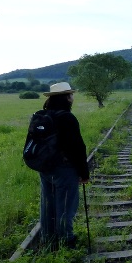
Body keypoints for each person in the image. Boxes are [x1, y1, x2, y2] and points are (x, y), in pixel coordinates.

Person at [39, 82, 89, 249]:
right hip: (65, 170)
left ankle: (48, 239)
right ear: (67, 97)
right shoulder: (67, 118)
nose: (73, 97)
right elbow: (77, 148)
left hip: (45, 169)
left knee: (48, 206)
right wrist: (84, 173)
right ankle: (66, 242)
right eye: (71, 94)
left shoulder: (44, 116)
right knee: (66, 206)